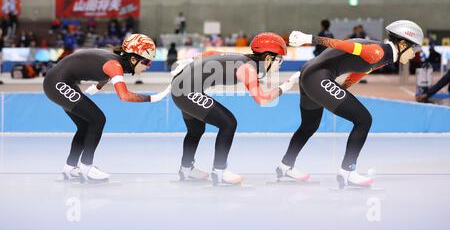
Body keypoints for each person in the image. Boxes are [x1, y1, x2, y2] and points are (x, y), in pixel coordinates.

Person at [282, 20, 423, 188]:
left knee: (309, 126)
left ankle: (285, 166)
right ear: (402, 43)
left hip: (310, 74)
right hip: (316, 77)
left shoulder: (382, 55)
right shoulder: (377, 52)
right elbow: (342, 45)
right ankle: (347, 171)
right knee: (364, 120)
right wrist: (309, 38)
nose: (415, 54)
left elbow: (355, 75)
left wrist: (337, 92)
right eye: (415, 48)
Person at [170, 32, 300, 185]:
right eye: (280, 58)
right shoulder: (248, 68)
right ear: (267, 58)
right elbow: (263, 100)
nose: (281, 62)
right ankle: (219, 171)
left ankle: (186, 170)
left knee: (196, 130)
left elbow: (212, 53)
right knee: (228, 123)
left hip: (181, 88)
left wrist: (191, 59)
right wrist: (286, 86)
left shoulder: (244, 59)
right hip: (185, 91)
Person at [43, 34, 170, 183]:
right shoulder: (115, 65)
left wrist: (96, 87)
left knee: (85, 125)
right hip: (57, 83)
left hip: (61, 81)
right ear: (133, 59)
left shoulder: (116, 63)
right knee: (97, 119)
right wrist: (155, 98)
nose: (149, 66)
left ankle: (69, 169)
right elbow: (124, 96)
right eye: (147, 62)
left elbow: (104, 73)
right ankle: (86, 167)